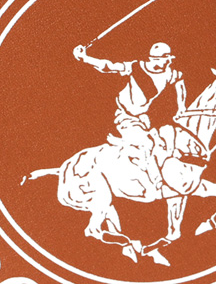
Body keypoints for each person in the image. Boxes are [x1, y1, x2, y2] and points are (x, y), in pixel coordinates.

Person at [73, 42, 186, 192]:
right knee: (146, 144)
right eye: (166, 58)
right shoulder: (136, 67)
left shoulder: (169, 73)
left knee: (166, 138)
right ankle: (157, 181)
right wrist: (85, 58)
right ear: (154, 58)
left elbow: (180, 82)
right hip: (124, 115)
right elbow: (108, 66)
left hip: (142, 117)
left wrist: (181, 106)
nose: (169, 62)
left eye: (169, 58)